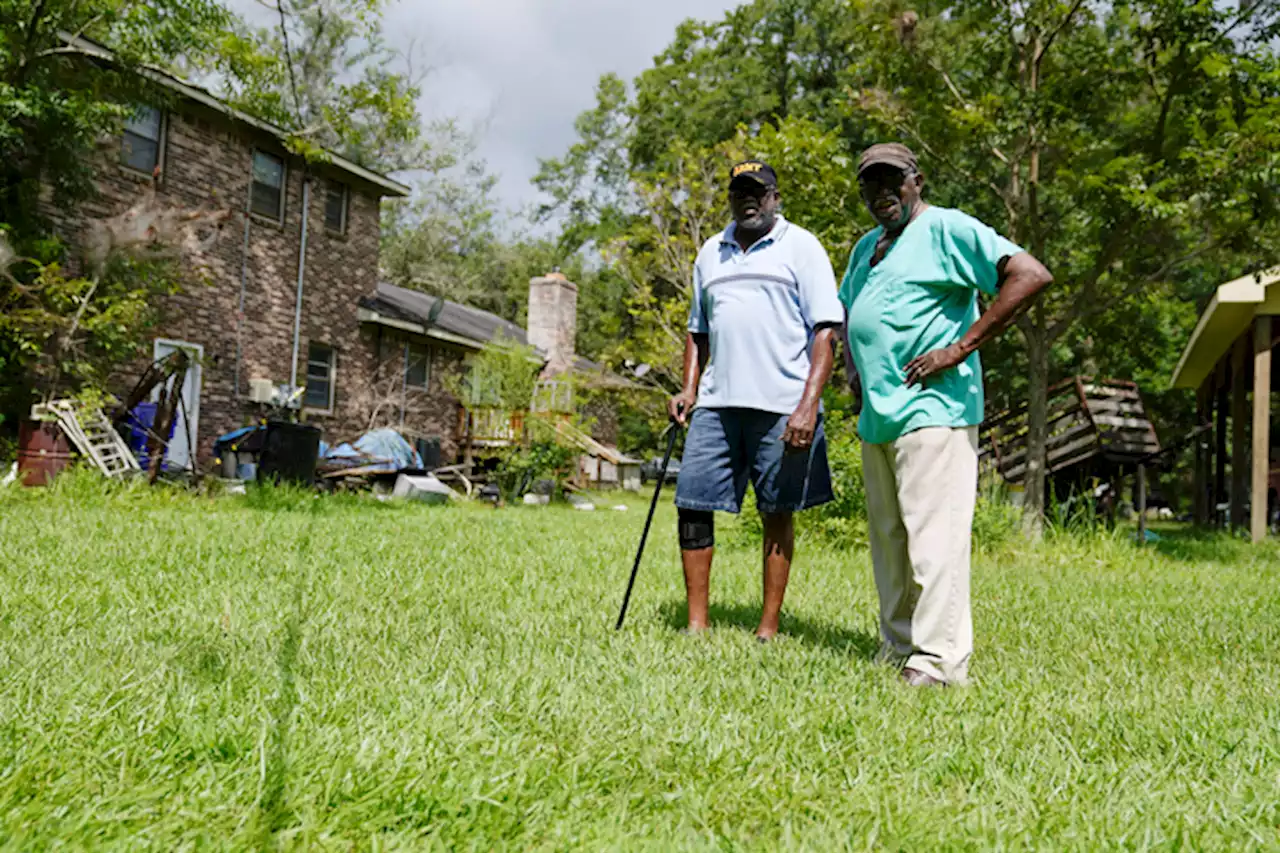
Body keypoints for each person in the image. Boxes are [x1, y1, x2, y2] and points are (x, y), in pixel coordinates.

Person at [839, 143, 1052, 686]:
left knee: (934, 540)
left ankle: (939, 661)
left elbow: (1029, 274)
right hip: (880, 414)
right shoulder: (868, 247)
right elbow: (849, 314)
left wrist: (960, 348)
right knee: (890, 540)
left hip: (935, 408)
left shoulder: (946, 229)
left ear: (918, 181)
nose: (882, 192)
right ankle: (900, 647)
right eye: (871, 183)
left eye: (893, 180)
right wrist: (854, 376)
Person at [669, 160, 844, 641]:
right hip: (716, 405)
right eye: (740, 192)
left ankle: (768, 628)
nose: (749, 200)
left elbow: (826, 330)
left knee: (776, 510)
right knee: (692, 504)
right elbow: (696, 330)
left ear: (775, 197)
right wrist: (689, 387)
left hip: (782, 406)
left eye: (758, 192)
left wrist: (808, 405)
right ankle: (697, 625)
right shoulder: (710, 252)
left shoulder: (802, 247)